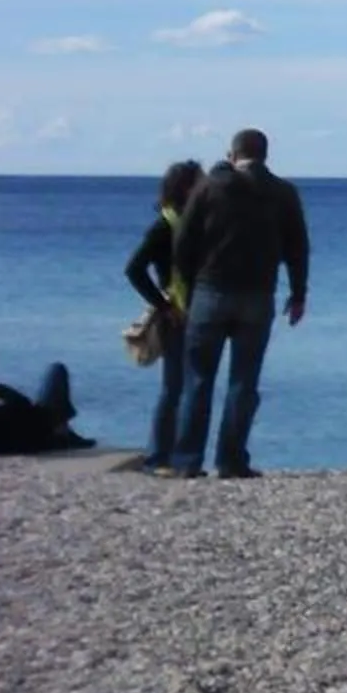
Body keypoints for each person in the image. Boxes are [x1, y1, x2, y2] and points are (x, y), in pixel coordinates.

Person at [168, 128, 311, 481]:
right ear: (265, 155)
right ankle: (231, 461)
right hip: (258, 294)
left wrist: (184, 288)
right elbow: (298, 248)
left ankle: (188, 461)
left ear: (232, 154)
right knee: (243, 383)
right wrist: (298, 294)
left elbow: (183, 243)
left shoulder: (209, 188)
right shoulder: (283, 192)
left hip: (210, 291)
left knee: (198, 380)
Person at [122, 159, 206, 473]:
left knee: (188, 385)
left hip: (195, 311)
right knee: (174, 388)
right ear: (186, 187)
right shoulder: (164, 226)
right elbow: (134, 269)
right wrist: (162, 305)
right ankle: (159, 456)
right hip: (177, 313)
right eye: (200, 182)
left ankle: (176, 456)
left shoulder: (190, 222)